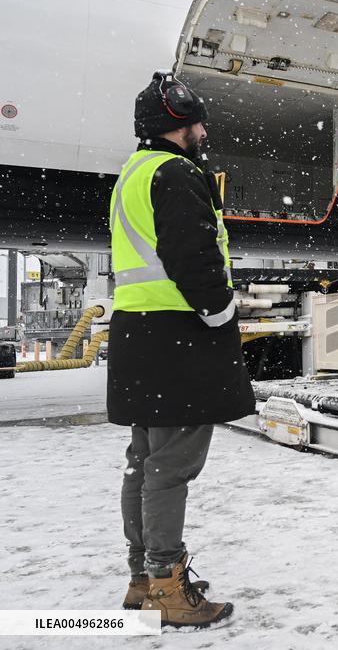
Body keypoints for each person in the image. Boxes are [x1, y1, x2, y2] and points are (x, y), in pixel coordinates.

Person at [108, 71, 255, 627]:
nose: (202, 131)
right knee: (170, 467)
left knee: (143, 463)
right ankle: (167, 587)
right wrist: (220, 312)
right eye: (196, 122)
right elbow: (191, 255)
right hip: (178, 332)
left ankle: (143, 577)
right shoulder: (176, 172)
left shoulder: (134, 172)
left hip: (140, 332)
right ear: (178, 125)